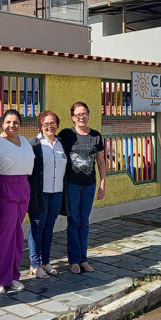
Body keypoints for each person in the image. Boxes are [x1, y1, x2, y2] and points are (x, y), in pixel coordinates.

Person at [0, 109, 35, 294]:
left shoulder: (23, 140)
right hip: (4, 188)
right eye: (8, 122)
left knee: (17, 235)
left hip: (23, 187)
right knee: (4, 235)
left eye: (15, 122)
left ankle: (13, 276)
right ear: (2, 123)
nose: (12, 126)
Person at [58, 101, 107, 274]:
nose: (81, 116)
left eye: (84, 113)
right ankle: (74, 260)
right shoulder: (65, 134)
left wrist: (102, 183)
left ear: (88, 114)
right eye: (78, 114)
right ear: (72, 117)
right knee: (74, 221)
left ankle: (83, 259)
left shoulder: (96, 136)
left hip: (89, 185)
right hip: (71, 184)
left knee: (84, 222)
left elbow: (101, 161)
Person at [28, 110, 68, 278]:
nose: (49, 126)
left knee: (49, 228)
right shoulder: (34, 144)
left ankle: (46, 262)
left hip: (57, 193)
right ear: (40, 125)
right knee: (37, 228)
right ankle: (34, 264)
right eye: (46, 123)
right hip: (39, 194)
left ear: (57, 124)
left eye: (53, 123)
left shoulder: (61, 143)